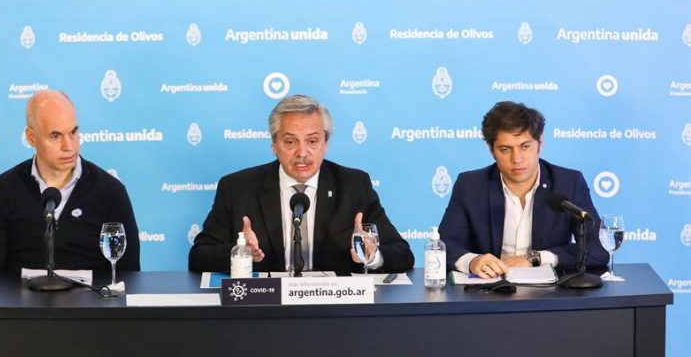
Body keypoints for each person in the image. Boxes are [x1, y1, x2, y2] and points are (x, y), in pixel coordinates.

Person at [189, 95, 414, 275]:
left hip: (335, 312)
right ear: (274, 145)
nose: (302, 153)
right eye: (290, 142)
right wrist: (240, 252)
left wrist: (371, 255)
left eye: (312, 141)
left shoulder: (354, 186)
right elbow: (198, 256)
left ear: (326, 144)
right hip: (265, 313)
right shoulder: (237, 188)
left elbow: (402, 254)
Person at [0, 90, 140, 273]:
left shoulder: (110, 191)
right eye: (55, 136)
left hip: (92, 300)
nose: (68, 146)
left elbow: (128, 274)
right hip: (22, 301)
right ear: (31, 138)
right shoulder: (4, 189)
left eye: (73, 132)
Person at [438, 101, 609, 278]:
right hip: (488, 293)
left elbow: (598, 248)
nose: (517, 159)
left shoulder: (568, 182)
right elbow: (444, 245)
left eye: (525, 146)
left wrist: (537, 258)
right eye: (505, 149)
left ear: (539, 144)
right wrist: (472, 261)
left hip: (549, 296)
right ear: (492, 150)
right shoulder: (470, 185)